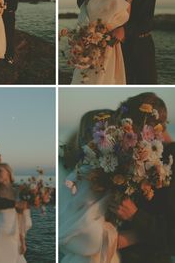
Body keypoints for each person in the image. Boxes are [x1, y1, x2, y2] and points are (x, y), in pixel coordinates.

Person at [59, 92, 175, 263]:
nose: (127, 134)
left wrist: (135, 218)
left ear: (148, 127)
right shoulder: (130, 154)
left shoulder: (167, 158)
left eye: (131, 127)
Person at [77, 0, 157, 84]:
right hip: (116, 47)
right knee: (120, 81)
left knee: (146, 82)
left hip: (141, 46)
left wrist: (125, 30)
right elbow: (82, 4)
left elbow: (148, 22)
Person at [71, 0, 140, 85]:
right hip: (106, 45)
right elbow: (124, 17)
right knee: (103, 77)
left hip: (90, 43)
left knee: (88, 76)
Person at [0, 0, 19, 64]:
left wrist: (5, 9)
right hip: (0, 18)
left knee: (9, 36)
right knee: (1, 36)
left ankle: (10, 56)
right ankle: (1, 53)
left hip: (9, 18)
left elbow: (14, 6)